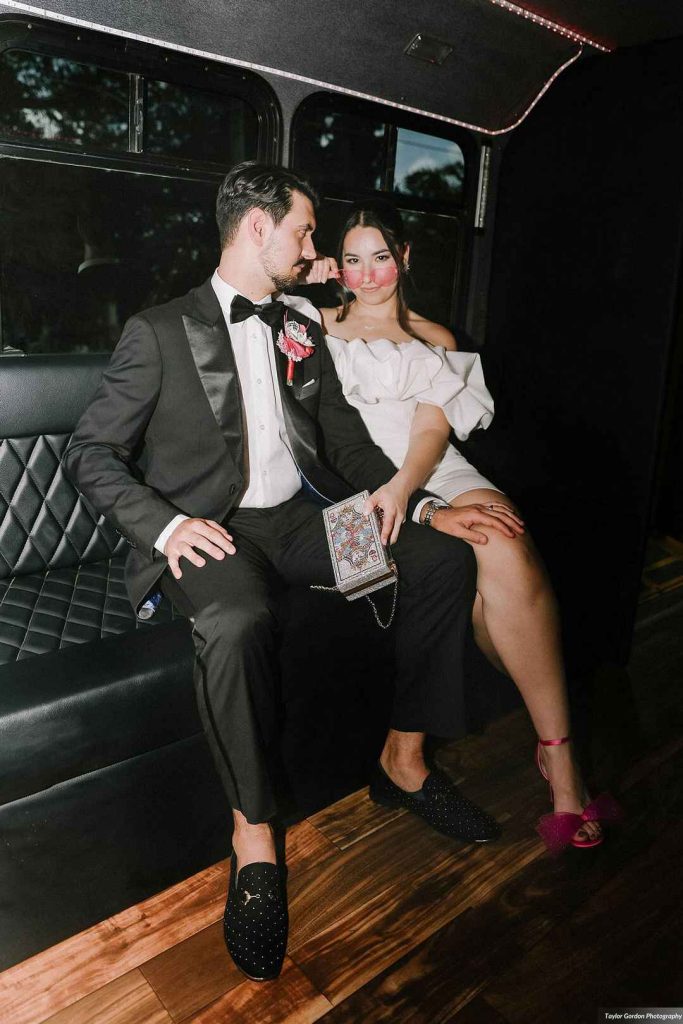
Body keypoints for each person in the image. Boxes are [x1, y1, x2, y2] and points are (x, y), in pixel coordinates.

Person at [64, 163, 520, 983]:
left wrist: (412, 506)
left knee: (440, 559)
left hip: (307, 522)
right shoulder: (160, 330)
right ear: (256, 229)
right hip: (214, 531)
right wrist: (165, 526)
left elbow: (342, 441)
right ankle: (254, 841)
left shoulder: (298, 327)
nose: (316, 250)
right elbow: (90, 453)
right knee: (236, 622)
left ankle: (403, 762)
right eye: (306, 231)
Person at [320, 200, 621, 857]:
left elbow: (431, 433)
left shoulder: (437, 338)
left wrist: (415, 491)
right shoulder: (310, 324)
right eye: (351, 258)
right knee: (464, 560)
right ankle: (419, 751)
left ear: (404, 257)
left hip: (431, 472)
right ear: (333, 264)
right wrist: (303, 284)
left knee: (504, 541)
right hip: (348, 492)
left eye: (380, 256)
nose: (367, 273)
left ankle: (559, 761)